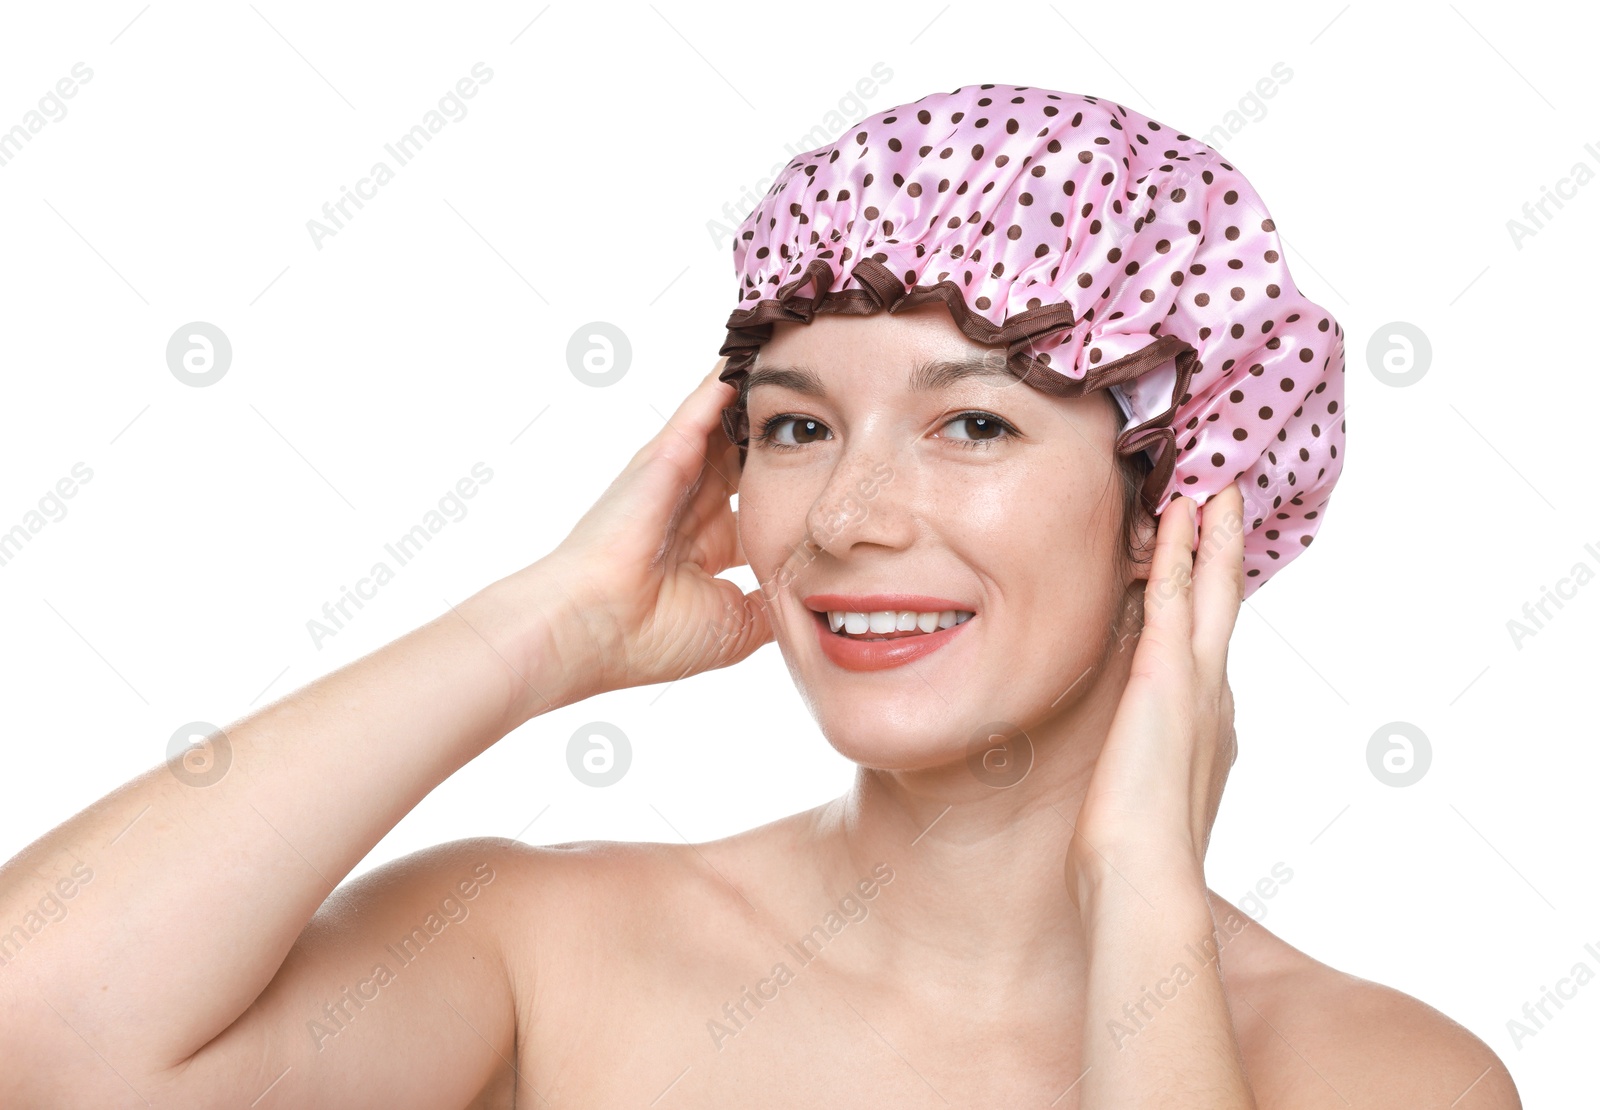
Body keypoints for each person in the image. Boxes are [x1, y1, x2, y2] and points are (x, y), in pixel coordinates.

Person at [0, 85, 1519, 1108]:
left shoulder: (1375, 1068)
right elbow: (50, 1037)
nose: (846, 518)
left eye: (973, 422)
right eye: (795, 426)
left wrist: (1140, 892)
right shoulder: (551, 947)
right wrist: (541, 629)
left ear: (1172, 506)